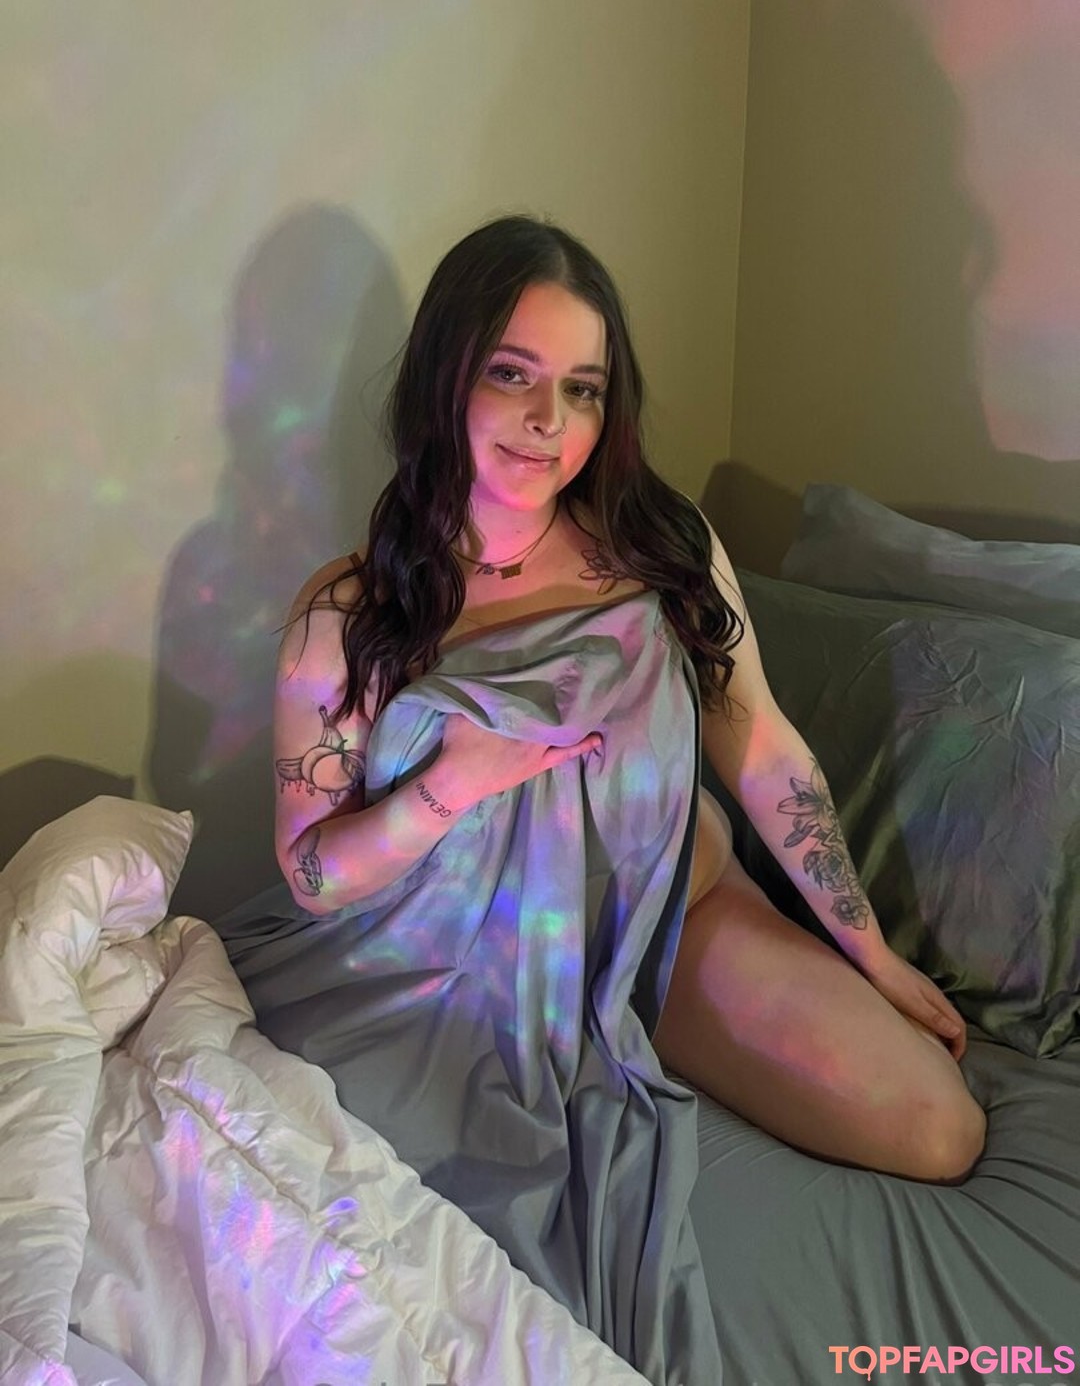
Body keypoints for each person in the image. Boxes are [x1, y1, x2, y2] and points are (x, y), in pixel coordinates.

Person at [222, 213, 986, 1379]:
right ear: (444, 378)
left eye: (581, 389)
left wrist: (871, 949)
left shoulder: (662, 546)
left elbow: (758, 742)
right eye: (512, 374)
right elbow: (314, 872)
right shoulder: (354, 612)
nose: (548, 420)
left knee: (940, 1129)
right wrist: (446, 789)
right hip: (464, 963)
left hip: (676, 923)